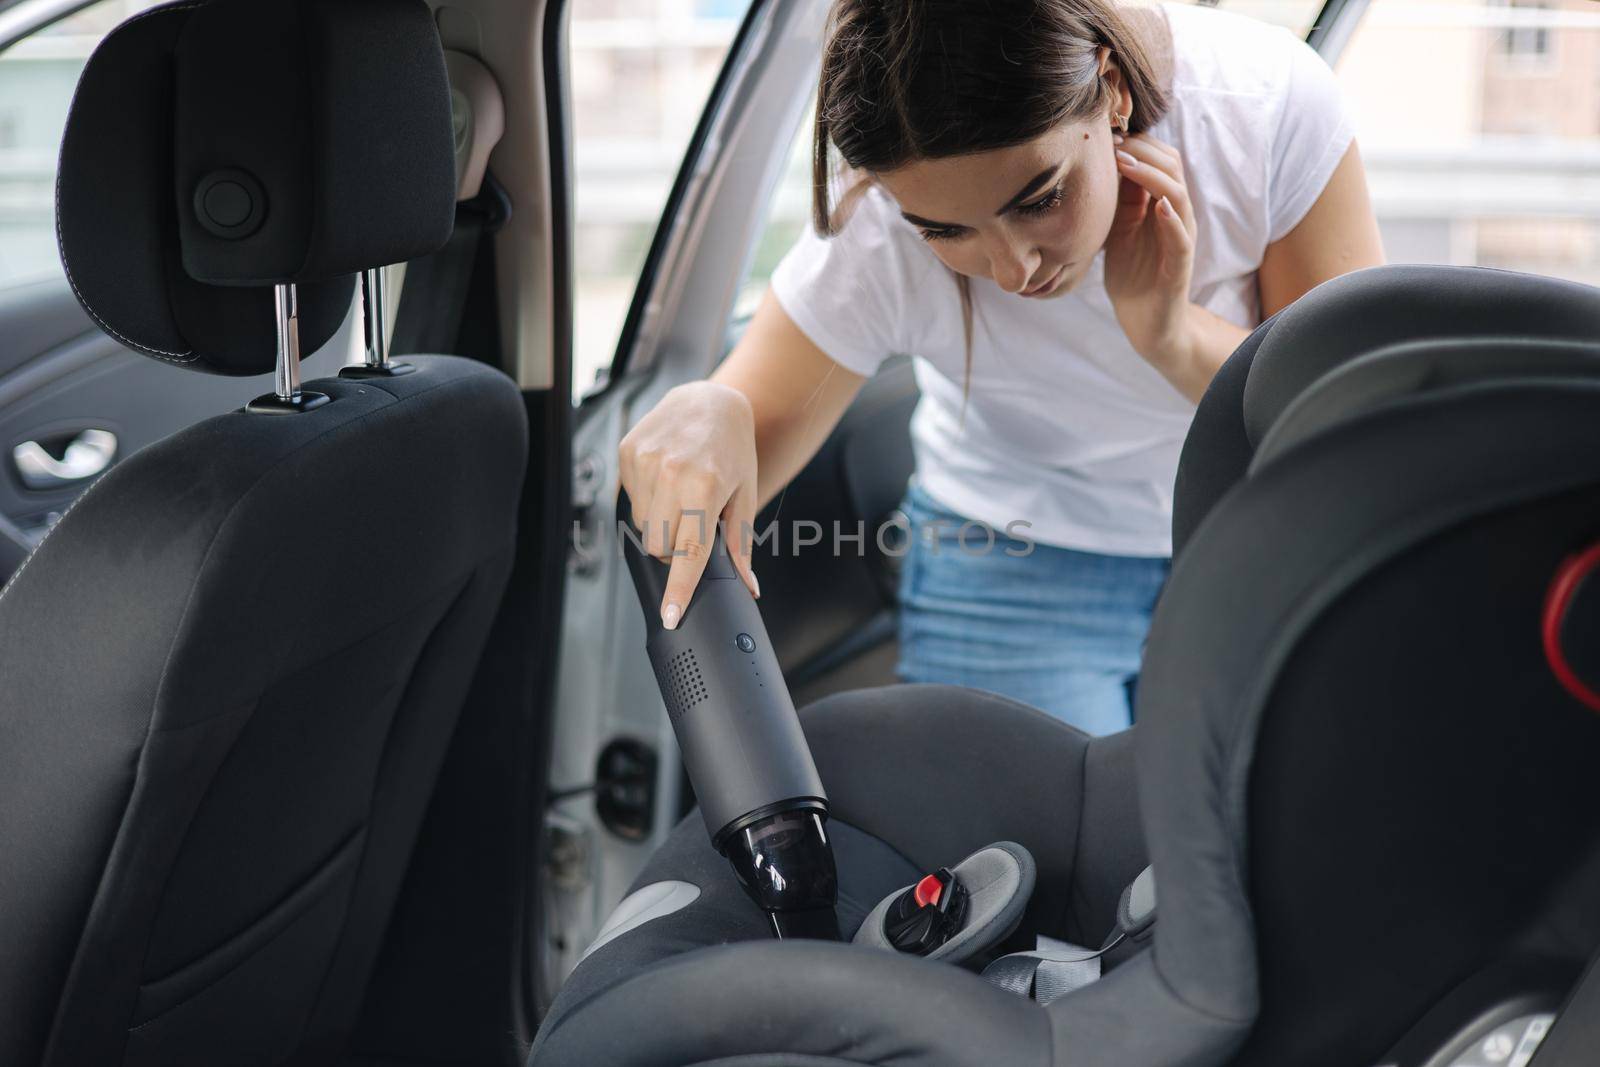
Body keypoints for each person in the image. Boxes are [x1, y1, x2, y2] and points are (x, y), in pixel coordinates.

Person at [618, 0, 1385, 734]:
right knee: (1038, 862)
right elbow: (739, 429)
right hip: (1007, 559)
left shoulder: (1264, 110)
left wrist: (1171, 334)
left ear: (1112, 90)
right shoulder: (877, 233)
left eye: (1040, 198)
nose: (1014, 268)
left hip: (1249, 543)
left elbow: (1340, 426)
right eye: (946, 230)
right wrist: (710, 409)